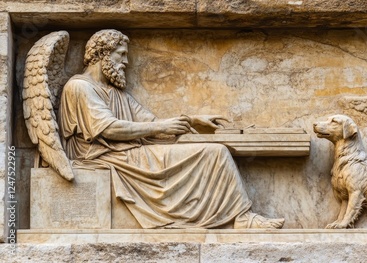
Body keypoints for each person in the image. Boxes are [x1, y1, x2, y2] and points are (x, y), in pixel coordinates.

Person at [59, 29, 284, 229]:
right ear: (102, 54)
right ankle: (241, 218)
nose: (126, 62)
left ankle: (240, 216)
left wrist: (191, 120)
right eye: (122, 54)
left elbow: (152, 122)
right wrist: (160, 126)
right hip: (106, 156)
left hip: (128, 153)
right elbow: (108, 128)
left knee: (214, 152)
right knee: (214, 153)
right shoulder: (79, 87)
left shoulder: (117, 93)